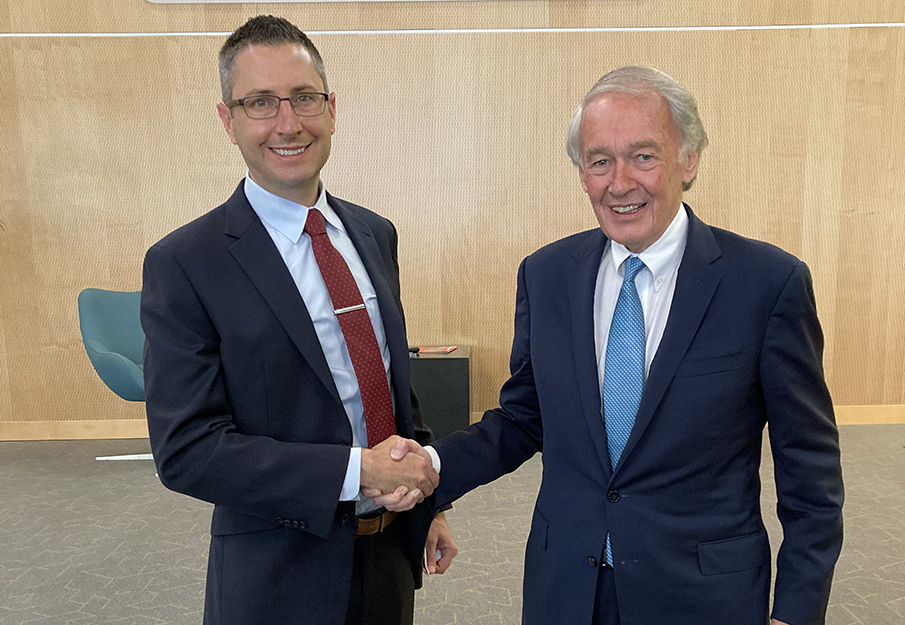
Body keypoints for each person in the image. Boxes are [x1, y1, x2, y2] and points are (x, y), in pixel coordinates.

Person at [370, 66, 844, 625]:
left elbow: (809, 470)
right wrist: (430, 464)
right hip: (566, 588)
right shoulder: (546, 275)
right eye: (599, 161)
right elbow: (525, 419)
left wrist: (795, 611)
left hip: (702, 596)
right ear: (582, 173)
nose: (619, 183)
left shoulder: (768, 284)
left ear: (689, 160)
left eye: (643, 156)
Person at [141, 15, 456, 625]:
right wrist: (353, 471)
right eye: (260, 102)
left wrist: (427, 502)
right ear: (227, 121)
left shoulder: (373, 234)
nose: (288, 123)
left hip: (388, 559)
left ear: (331, 108)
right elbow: (187, 451)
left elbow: (389, 386)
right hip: (276, 577)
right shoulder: (185, 262)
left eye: (304, 97)